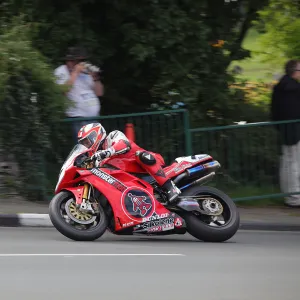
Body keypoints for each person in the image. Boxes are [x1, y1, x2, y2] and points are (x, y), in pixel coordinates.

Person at [77, 122, 181, 203]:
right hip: (131, 177)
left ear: (96, 135)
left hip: (147, 164)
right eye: (84, 144)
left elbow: (124, 144)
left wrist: (107, 152)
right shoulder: (96, 158)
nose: (87, 145)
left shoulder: (113, 135)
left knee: (141, 155)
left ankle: (170, 187)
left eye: (87, 141)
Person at [54, 46, 104, 142]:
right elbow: (63, 91)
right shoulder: (61, 71)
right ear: (70, 61)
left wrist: (96, 78)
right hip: (78, 118)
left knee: (97, 150)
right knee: (85, 150)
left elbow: (99, 93)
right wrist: (75, 72)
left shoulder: (85, 73)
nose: (81, 63)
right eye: (78, 61)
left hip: (94, 117)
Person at [271, 59, 300, 207]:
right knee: (294, 163)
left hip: (285, 130)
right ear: (295, 72)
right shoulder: (294, 89)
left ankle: (289, 195)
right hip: (294, 131)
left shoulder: (279, 87)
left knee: (288, 163)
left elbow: (274, 112)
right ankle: (294, 197)